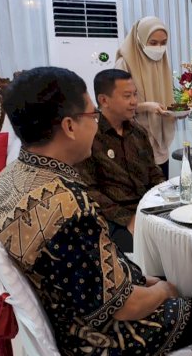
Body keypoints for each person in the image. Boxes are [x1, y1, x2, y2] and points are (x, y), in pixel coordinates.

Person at [0, 67, 192, 355]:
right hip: (97, 337)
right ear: (69, 126)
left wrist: (146, 280)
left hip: (70, 310)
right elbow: (127, 306)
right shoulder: (67, 206)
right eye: (92, 115)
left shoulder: (7, 180)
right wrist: (163, 290)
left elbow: (90, 272)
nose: (96, 123)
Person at [74, 69, 165, 253]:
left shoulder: (138, 132)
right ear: (103, 100)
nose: (134, 102)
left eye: (135, 95)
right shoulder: (90, 136)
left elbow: (153, 172)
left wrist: (164, 199)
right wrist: (128, 219)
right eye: (127, 96)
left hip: (147, 210)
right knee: (145, 251)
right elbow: (89, 190)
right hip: (112, 218)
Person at [116, 16, 175, 178]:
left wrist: (176, 111)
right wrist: (147, 106)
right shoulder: (124, 64)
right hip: (134, 141)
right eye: (153, 43)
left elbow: (167, 97)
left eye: (163, 43)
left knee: (162, 191)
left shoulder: (161, 62)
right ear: (140, 39)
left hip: (159, 142)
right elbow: (117, 106)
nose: (159, 48)